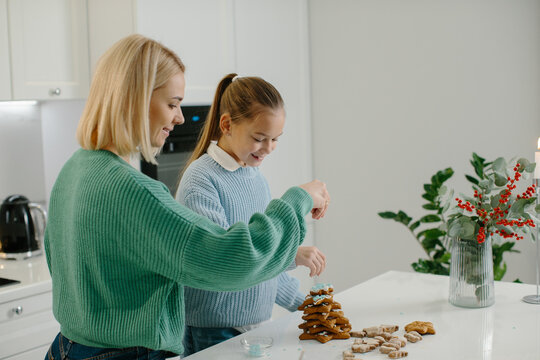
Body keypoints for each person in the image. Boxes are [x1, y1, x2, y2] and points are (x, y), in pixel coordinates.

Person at [43, 34, 330, 360]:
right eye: (172, 103)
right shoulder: (132, 191)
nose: (179, 118)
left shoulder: (74, 170)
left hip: (68, 349)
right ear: (134, 99)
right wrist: (298, 199)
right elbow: (227, 259)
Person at [175, 73, 327, 355]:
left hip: (257, 327)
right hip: (212, 331)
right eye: (260, 138)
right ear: (227, 125)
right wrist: (290, 254)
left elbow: (261, 262)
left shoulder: (255, 178)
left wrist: (305, 306)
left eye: (275, 139)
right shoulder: (201, 180)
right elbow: (227, 260)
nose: (268, 148)